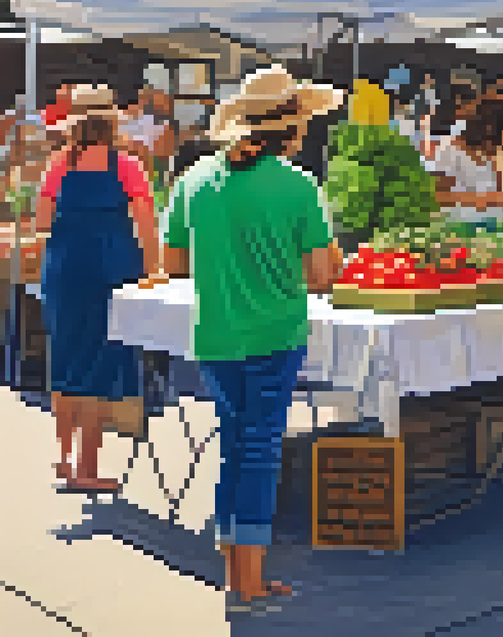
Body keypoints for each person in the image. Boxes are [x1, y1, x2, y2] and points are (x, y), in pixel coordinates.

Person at [151, 66, 343, 614]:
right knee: (258, 453)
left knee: (235, 448)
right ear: (291, 129)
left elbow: (175, 264)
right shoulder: (299, 187)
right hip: (275, 334)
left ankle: (239, 576)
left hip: (215, 333)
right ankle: (249, 584)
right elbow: (321, 277)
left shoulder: (193, 182)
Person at [37, 85, 160, 493]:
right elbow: (145, 223)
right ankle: (88, 467)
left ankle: (63, 456)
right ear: (111, 123)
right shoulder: (126, 166)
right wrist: (154, 269)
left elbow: (41, 221)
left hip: (65, 268)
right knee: (100, 362)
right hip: (111, 269)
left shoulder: (58, 165)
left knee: (66, 356)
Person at [432, 95, 503, 228]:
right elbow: (439, 196)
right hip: (460, 226)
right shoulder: (450, 149)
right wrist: (488, 199)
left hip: (499, 227)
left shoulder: (501, 154)